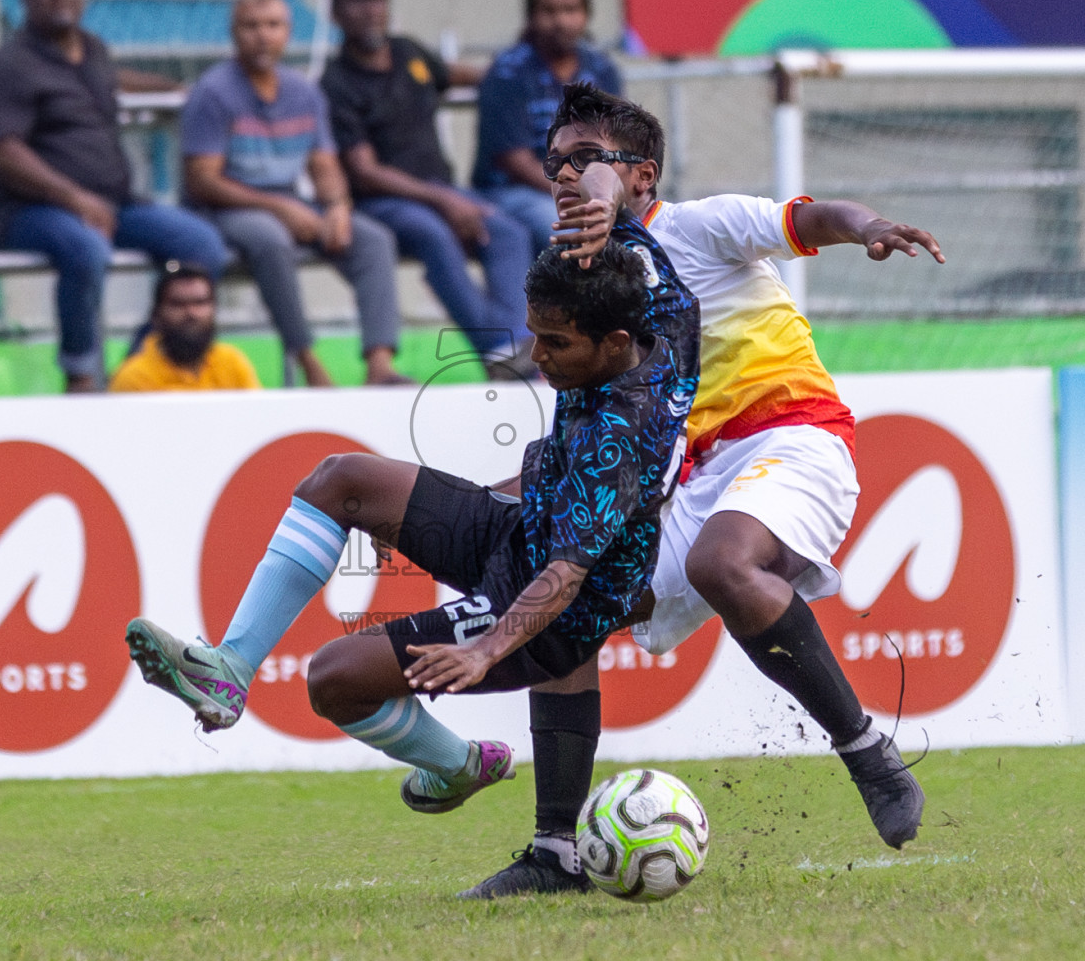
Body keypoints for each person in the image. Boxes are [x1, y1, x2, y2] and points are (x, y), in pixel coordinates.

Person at [458, 83, 946, 898]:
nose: (567, 178)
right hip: (693, 476)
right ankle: (555, 853)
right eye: (555, 165)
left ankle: (867, 752)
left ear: (642, 174)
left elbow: (809, 218)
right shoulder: (584, 281)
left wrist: (870, 228)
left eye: (586, 160)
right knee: (568, 609)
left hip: (795, 435)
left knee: (726, 563)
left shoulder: (695, 225)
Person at [125, 221, 700, 826]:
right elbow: (639, 226)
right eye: (534, 335)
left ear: (612, 343)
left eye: (554, 343)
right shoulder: (665, 322)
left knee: (334, 678)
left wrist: (485, 650)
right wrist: (603, 202)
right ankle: (228, 671)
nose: (537, 355)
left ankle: (459, 764)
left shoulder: (616, 437)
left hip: (540, 610)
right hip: (513, 528)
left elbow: (563, 575)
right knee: (341, 480)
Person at [0, 0, 232, 393]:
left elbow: (117, 79)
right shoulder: (8, 67)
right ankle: (82, 375)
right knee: (86, 248)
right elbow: (2, 149)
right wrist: (73, 198)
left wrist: (186, 92)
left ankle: (137, 368)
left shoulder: (92, 51)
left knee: (202, 244)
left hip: (115, 204)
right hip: (31, 210)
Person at [182, 0, 410, 388]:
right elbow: (202, 180)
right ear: (234, 33)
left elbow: (324, 163)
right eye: (251, 26)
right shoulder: (213, 91)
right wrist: (280, 209)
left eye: (273, 25)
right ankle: (307, 360)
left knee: (373, 239)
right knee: (271, 240)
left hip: (288, 199)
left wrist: (337, 205)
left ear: (287, 32)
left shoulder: (303, 91)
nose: (262, 36)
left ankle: (380, 364)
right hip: (225, 206)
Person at [320, 0, 536, 375]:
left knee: (509, 232)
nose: (371, 10)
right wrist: (444, 201)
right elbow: (365, 171)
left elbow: (453, 74)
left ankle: (518, 344)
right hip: (379, 200)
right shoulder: (336, 82)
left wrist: (510, 73)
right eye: (357, 0)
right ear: (335, 13)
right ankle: (501, 351)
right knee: (436, 236)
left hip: (438, 188)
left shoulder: (408, 53)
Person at [473, 0, 624, 257]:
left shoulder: (601, 69)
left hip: (586, 191)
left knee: (646, 228)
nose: (561, 21)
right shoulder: (508, 72)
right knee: (573, 231)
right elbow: (514, 161)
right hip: (513, 192)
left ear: (586, 15)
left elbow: (615, 145)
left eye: (571, 10)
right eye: (549, 11)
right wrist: (579, 194)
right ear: (531, 16)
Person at [109, 261, 260, 393]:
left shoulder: (232, 363)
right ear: (156, 315)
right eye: (178, 304)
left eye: (200, 302)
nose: (191, 313)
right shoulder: (135, 377)